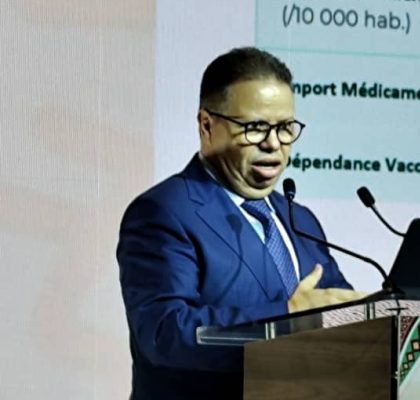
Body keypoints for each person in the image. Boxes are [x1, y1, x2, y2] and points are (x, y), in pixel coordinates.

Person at [117, 47, 362, 399]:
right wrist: (288, 317)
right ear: (207, 126)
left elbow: (338, 310)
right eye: (255, 127)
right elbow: (164, 333)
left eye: (285, 128)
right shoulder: (164, 212)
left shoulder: (300, 220)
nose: (273, 144)